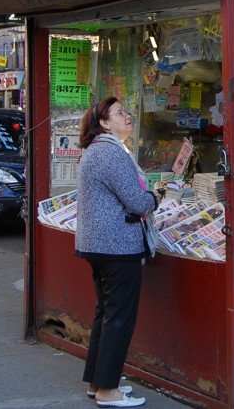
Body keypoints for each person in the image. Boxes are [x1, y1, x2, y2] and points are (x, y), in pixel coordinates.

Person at [76, 97, 160, 407]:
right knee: (119, 318)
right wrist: (155, 197)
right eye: (120, 113)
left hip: (99, 245)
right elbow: (138, 203)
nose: (127, 116)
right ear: (104, 123)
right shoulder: (110, 154)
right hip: (116, 246)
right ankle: (109, 391)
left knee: (106, 315)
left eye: (126, 111)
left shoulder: (98, 151)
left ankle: (97, 383)